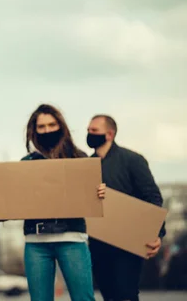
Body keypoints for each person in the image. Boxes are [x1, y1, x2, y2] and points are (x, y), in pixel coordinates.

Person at [0, 104, 106, 301]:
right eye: (42, 127)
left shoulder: (79, 159)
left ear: (61, 126)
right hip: (36, 243)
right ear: (34, 131)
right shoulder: (26, 163)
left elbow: (91, 197)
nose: (47, 130)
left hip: (72, 239)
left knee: (83, 298)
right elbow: (13, 205)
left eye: (51, 124)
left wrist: (99, 192)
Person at [86, 114, 166, 301]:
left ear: (110, 134)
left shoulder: (133, 160)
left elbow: (153, 197)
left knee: (126, 295)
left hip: (128, 244)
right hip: (98, 244)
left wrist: (156, 234)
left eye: (94, 131)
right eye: (88, 131)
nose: (89, 134)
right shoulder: (87, 166)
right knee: (109, 295)